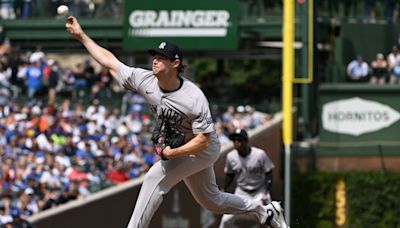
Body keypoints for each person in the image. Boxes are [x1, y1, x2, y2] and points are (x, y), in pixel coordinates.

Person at [65, 16, 287, 228]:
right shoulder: (145, 80)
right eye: (155, 56)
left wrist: (172, 154)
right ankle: (264, 211)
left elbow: (203, 140)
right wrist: (82, 36)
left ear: (175, 63)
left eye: (161, 58)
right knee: (212, 201)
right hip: (182, 145)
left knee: (155, 176)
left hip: (202, 148)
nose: (155, 60)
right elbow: (110, 62)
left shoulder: (193, 97)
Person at [218, 129, 275, 228]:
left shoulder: (259, 154)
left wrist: (266, 191)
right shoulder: (231, 156)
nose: (236, 142)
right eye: (234, 140)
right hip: (241, 193)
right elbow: (229, 174)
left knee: (271, 221)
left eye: (239, 140)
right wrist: (224, 188)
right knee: (225, 221)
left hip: (259, 191)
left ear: (246, 141)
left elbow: (269, 172)